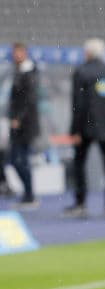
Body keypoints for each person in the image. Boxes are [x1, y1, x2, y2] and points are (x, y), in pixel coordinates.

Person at [66, 38, 105, 218]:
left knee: (80, 165)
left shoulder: (82, 72)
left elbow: (78, 104)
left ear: (87, 53)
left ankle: (81, 202)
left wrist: (74, 129)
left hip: (86, 126)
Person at [7, 42, 40, 209]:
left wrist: (18, 118)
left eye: (18, 52)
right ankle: (29, 194)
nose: (16, 55)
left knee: (19, 160)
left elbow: (28, 100)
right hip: (18, 124)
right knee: (17, 159)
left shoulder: (29, 72)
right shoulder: (18, 71)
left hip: (25, 125)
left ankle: (30, 195)